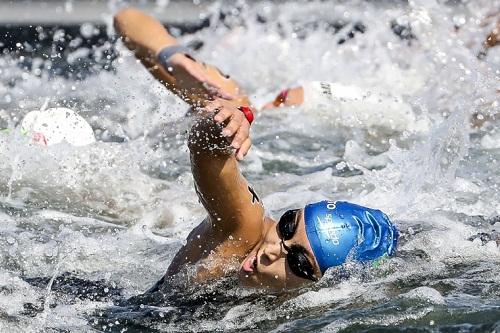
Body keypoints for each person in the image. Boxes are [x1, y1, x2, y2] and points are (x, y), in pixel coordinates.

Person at [113, 7, 398, 290]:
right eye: (288, 224)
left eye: (298, 262)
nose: (274, 249)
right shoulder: (237, 107)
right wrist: (175, 59)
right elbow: (128, 18)